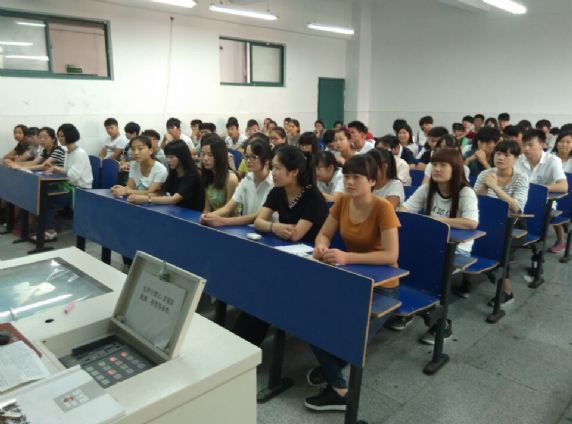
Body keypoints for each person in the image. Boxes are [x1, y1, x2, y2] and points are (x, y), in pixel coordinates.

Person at [304, 154, 400, 412]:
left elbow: (391, 256)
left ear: (372, 181)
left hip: (382, 286)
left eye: (357, 177)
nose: (349, 182)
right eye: (346, 176)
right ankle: (334, 372)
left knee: (349, 334)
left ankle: (338, 386)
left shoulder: (383, 208)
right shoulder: (343, 202)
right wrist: (321, 246)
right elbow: (324, 233)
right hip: (352, 277)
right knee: (308, 315)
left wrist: (347, 257)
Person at [233, 146, 327, 347]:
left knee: (267, 292)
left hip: (309, 263)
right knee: (256, 287)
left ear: (294, 172)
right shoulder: (277, 191)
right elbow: (259, 221)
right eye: (272, 167)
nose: (273, 173)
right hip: (283, 255)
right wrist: (274, 226)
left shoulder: (313, 197)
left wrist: (271, 227)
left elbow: (295, 235)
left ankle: (244, 345)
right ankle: (241, 344)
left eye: (277, 168)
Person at [397, 148, 479, 342]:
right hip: (430, 241)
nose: (437, 169)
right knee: (399, 258)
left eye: (443, 165)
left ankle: (442, 323)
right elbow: (404, 209)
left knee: (427, 268)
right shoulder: (427, 189)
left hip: (457, 247)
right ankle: (410, 309)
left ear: (455, 168)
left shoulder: (465, 192)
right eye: (434, 164)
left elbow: (471, 222)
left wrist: (434, 221)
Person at [459, 140, 529, 305]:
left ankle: (507, 291)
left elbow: (517, 208)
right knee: (466, 239)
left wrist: (495, 188)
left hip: (511, 224)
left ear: (516, 158)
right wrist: (485, 187)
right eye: (498, 154)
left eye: (507, 155)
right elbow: (473, 200)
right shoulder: (486, 174)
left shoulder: (521, 178)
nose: (501, 158)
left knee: (499, 247)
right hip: (485, 220)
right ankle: (466, 280)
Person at [201, 136, 273, 226]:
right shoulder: (246, 180)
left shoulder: (273, 183)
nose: (248, 161)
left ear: (266, 160)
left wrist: (222, 221)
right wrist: (207, 216)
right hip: (247, 229)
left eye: (253, 157)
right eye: (246, 156)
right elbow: (228, 208)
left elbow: (258, 216)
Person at [42, 124, 93, 240]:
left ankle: (50, 232)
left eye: (62, 136)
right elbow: (67, 171)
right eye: (59, 136)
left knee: (48, 201)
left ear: (70, 136)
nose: (59, 139)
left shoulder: (80, 153)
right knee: (43, 193)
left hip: (80, 190)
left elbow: (72, 175)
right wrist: (55, 168)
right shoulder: (68, 152)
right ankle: (46, 227)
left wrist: (56, 168)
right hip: (70, 185)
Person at [126, 140, 204, 211]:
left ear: (182, 156)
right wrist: (136, 196)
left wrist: (147, 199)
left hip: (190, 213)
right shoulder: (174, 173)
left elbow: (174, 199)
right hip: (175, 210)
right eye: (167, 157)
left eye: (172, 157)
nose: (168, 160)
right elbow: (161, 193)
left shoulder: (192, 175)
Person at [200, 133, 239, 212]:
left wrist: (209, 217)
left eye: (210, 155)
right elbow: (207, 208)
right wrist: (204, 216)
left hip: (229, 219)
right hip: (212, 218)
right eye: (203, 154)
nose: (205, 158)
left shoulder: (231, 179)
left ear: (219, 156)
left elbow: (228, 212)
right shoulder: (208, 175)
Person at [548, 131, 572, 253]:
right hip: (550, 192)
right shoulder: (549, 156)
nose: (564, 145)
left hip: (568, 196)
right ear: (557, 143)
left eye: (568, 142)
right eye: (561, 141)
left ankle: (561, 241)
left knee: (554, 212)